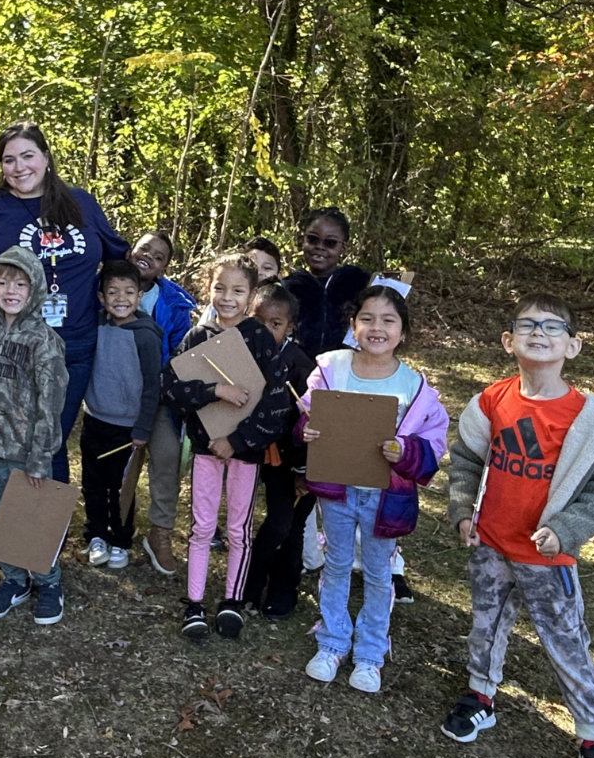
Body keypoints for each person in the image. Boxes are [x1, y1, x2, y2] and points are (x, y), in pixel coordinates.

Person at [443, 293, 594, 758]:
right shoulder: (491, 402)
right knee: (486, 623)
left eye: (552, 327)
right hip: (491, 545)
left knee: (566, 640)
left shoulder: (590, 419)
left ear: (573, 345)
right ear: (508, 341)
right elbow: (466, 461)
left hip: (548, 556)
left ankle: (593, 738)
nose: (539, 333)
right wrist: (463, 511)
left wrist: (566, 530)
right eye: (527, 326)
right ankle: (481, 694)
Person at [0, 122, 128, 480]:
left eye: (27, 156)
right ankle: (15, 514)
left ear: (46, 157)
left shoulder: (81, 203)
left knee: (51, 438)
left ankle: (45, 517)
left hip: (75, 343)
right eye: (9, 160)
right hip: (12, 348)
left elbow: (117, 258)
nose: (19, 167)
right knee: (22, 439)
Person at [298, 281, 447, 693]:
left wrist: (406, 451)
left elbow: (434, 441)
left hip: (385, 495)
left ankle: (370, 653)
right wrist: (305, 430)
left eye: (388, 320)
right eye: (367, 318)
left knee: (380, 573)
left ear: (403, 331)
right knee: (337, 563)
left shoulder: (415, 387)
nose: (376, 328)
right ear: (353, 325)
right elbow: (309, 414)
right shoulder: (332, 368)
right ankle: (332, 642)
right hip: (338, 489)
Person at [160, 254, 292, 642]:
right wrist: (215, 390)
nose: (227, 298)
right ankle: (194, 603)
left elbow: (276, 403)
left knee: (238, 528)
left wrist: (236, 441)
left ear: (251, 296)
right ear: (208, 288)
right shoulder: (196, 337)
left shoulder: (260, 339)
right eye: (220, 288)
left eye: (237, 290)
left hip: (245, 454)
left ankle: (232, 600)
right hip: (205, 451)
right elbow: (170, 388)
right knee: (202, 526)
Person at [0, 246, 69, 623]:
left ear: (36, 289)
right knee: (2, 517)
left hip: (28, 451)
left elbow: (51, 402)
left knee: (33, 518)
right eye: (2, 283)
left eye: (20, 283)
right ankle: (15, 579)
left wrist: (40, 457)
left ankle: (49, 582)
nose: (10, 291)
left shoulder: (43, 340)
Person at [239, 282, 316, 619]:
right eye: (258, 321)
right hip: (255, 450)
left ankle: (282, 589)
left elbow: (311, 422)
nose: (264, 330)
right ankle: (249, 586)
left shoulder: (302, 366)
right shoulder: (239, 354)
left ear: (290, 327)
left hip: (293, 459)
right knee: (267, 520)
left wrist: (304, 470)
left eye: (275, 323)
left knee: (288, 524)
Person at [80, 260, 161, 570]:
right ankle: (96, 535)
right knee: (93, 483)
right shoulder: (97, 326)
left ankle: (121, 539)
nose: (121, 298)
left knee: (121, 487)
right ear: (101, 297)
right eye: (112, 292)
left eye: (129, 292)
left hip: (127, 429)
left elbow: (153, 386)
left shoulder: (146, 335)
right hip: (94, 420)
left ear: (139, 296)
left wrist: (143, 428)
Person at [128, 230, 197, 575]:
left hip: (159, 396)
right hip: (117, 394)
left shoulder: (175, 304)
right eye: (144, 249)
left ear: (165, 267)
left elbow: (182, 353)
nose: (149, 258)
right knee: (120, 462)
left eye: (159, 256)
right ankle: (116, 527)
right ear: (131, 251)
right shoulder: (106, 287)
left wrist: (162, 385)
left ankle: (160, 532)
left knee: (167, 457)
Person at [282, 206, 371, 359]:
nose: (320, 247)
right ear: (303, 240)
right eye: (313, 239)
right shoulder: (289, 286)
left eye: (330, 243)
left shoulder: (359, 282)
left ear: (343, 247)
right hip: (297, 368)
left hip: (348, 366)